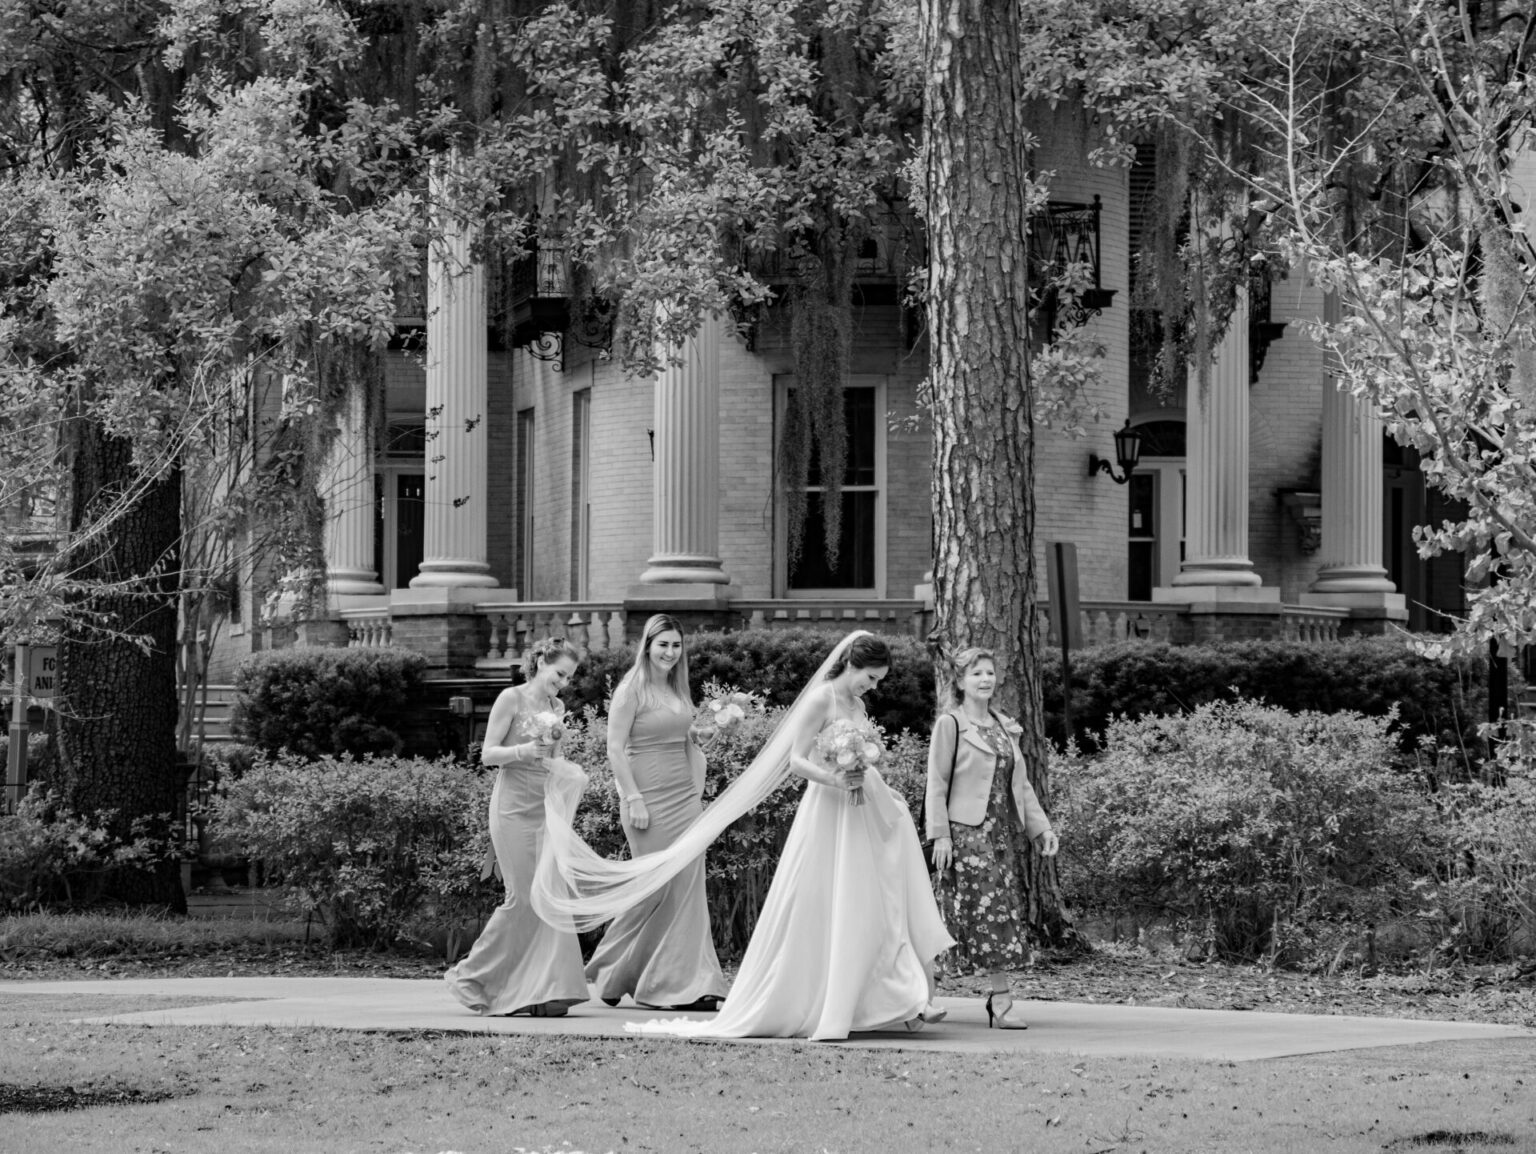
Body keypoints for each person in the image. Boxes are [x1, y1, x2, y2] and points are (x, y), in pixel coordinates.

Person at [590, 632, 953, 1041]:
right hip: (830, 809)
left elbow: (865, 752)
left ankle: (890, 999)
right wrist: (835, 777)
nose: (873, 686)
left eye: (878, 680)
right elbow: (797, 761)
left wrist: (872, 769)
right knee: (831, 901)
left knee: (872, 900)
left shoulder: (858, 703)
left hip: (862, 807)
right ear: (852, 664)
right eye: (870, 677)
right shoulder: (822, 699)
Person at [584, 615, 727, 1011]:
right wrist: (633, 800)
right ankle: (616, 971)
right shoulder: (631, 689)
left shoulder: (677, 687)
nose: (670, 652)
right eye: (663, 644)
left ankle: (687, 983)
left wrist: (701, 735)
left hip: (684, 796)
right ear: (647, 645)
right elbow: (615, 748)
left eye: (676, 645)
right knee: (655, 888)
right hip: (646, 797)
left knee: (687, 887)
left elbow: (679, 734)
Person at [444, 637, 589, 1017]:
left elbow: (554, 760)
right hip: (511, 809)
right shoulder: (511, 698)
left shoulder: (557, 706)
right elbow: (488, 754)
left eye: (569, 678)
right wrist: (524, 751)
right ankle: (472, 977)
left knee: (548, 898)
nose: (563, 683)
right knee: (521, 898)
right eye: (560, 673)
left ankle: (547, 988)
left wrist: (569, 774)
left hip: (543, 808)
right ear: (540, 661)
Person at [925, 646, 1059, 1029]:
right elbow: (937, 784)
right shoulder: (950, 724)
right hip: (963, 837)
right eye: (976, 674)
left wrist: (1041, 828)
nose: (985, 679)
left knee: (997, 913)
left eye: (989, 672)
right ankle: (925, 997)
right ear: (960, 682)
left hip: (1000, 837)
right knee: (955, 913)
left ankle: (1000, 1002)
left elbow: (1022, 785)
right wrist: (941, 837)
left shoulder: (1004, 725)